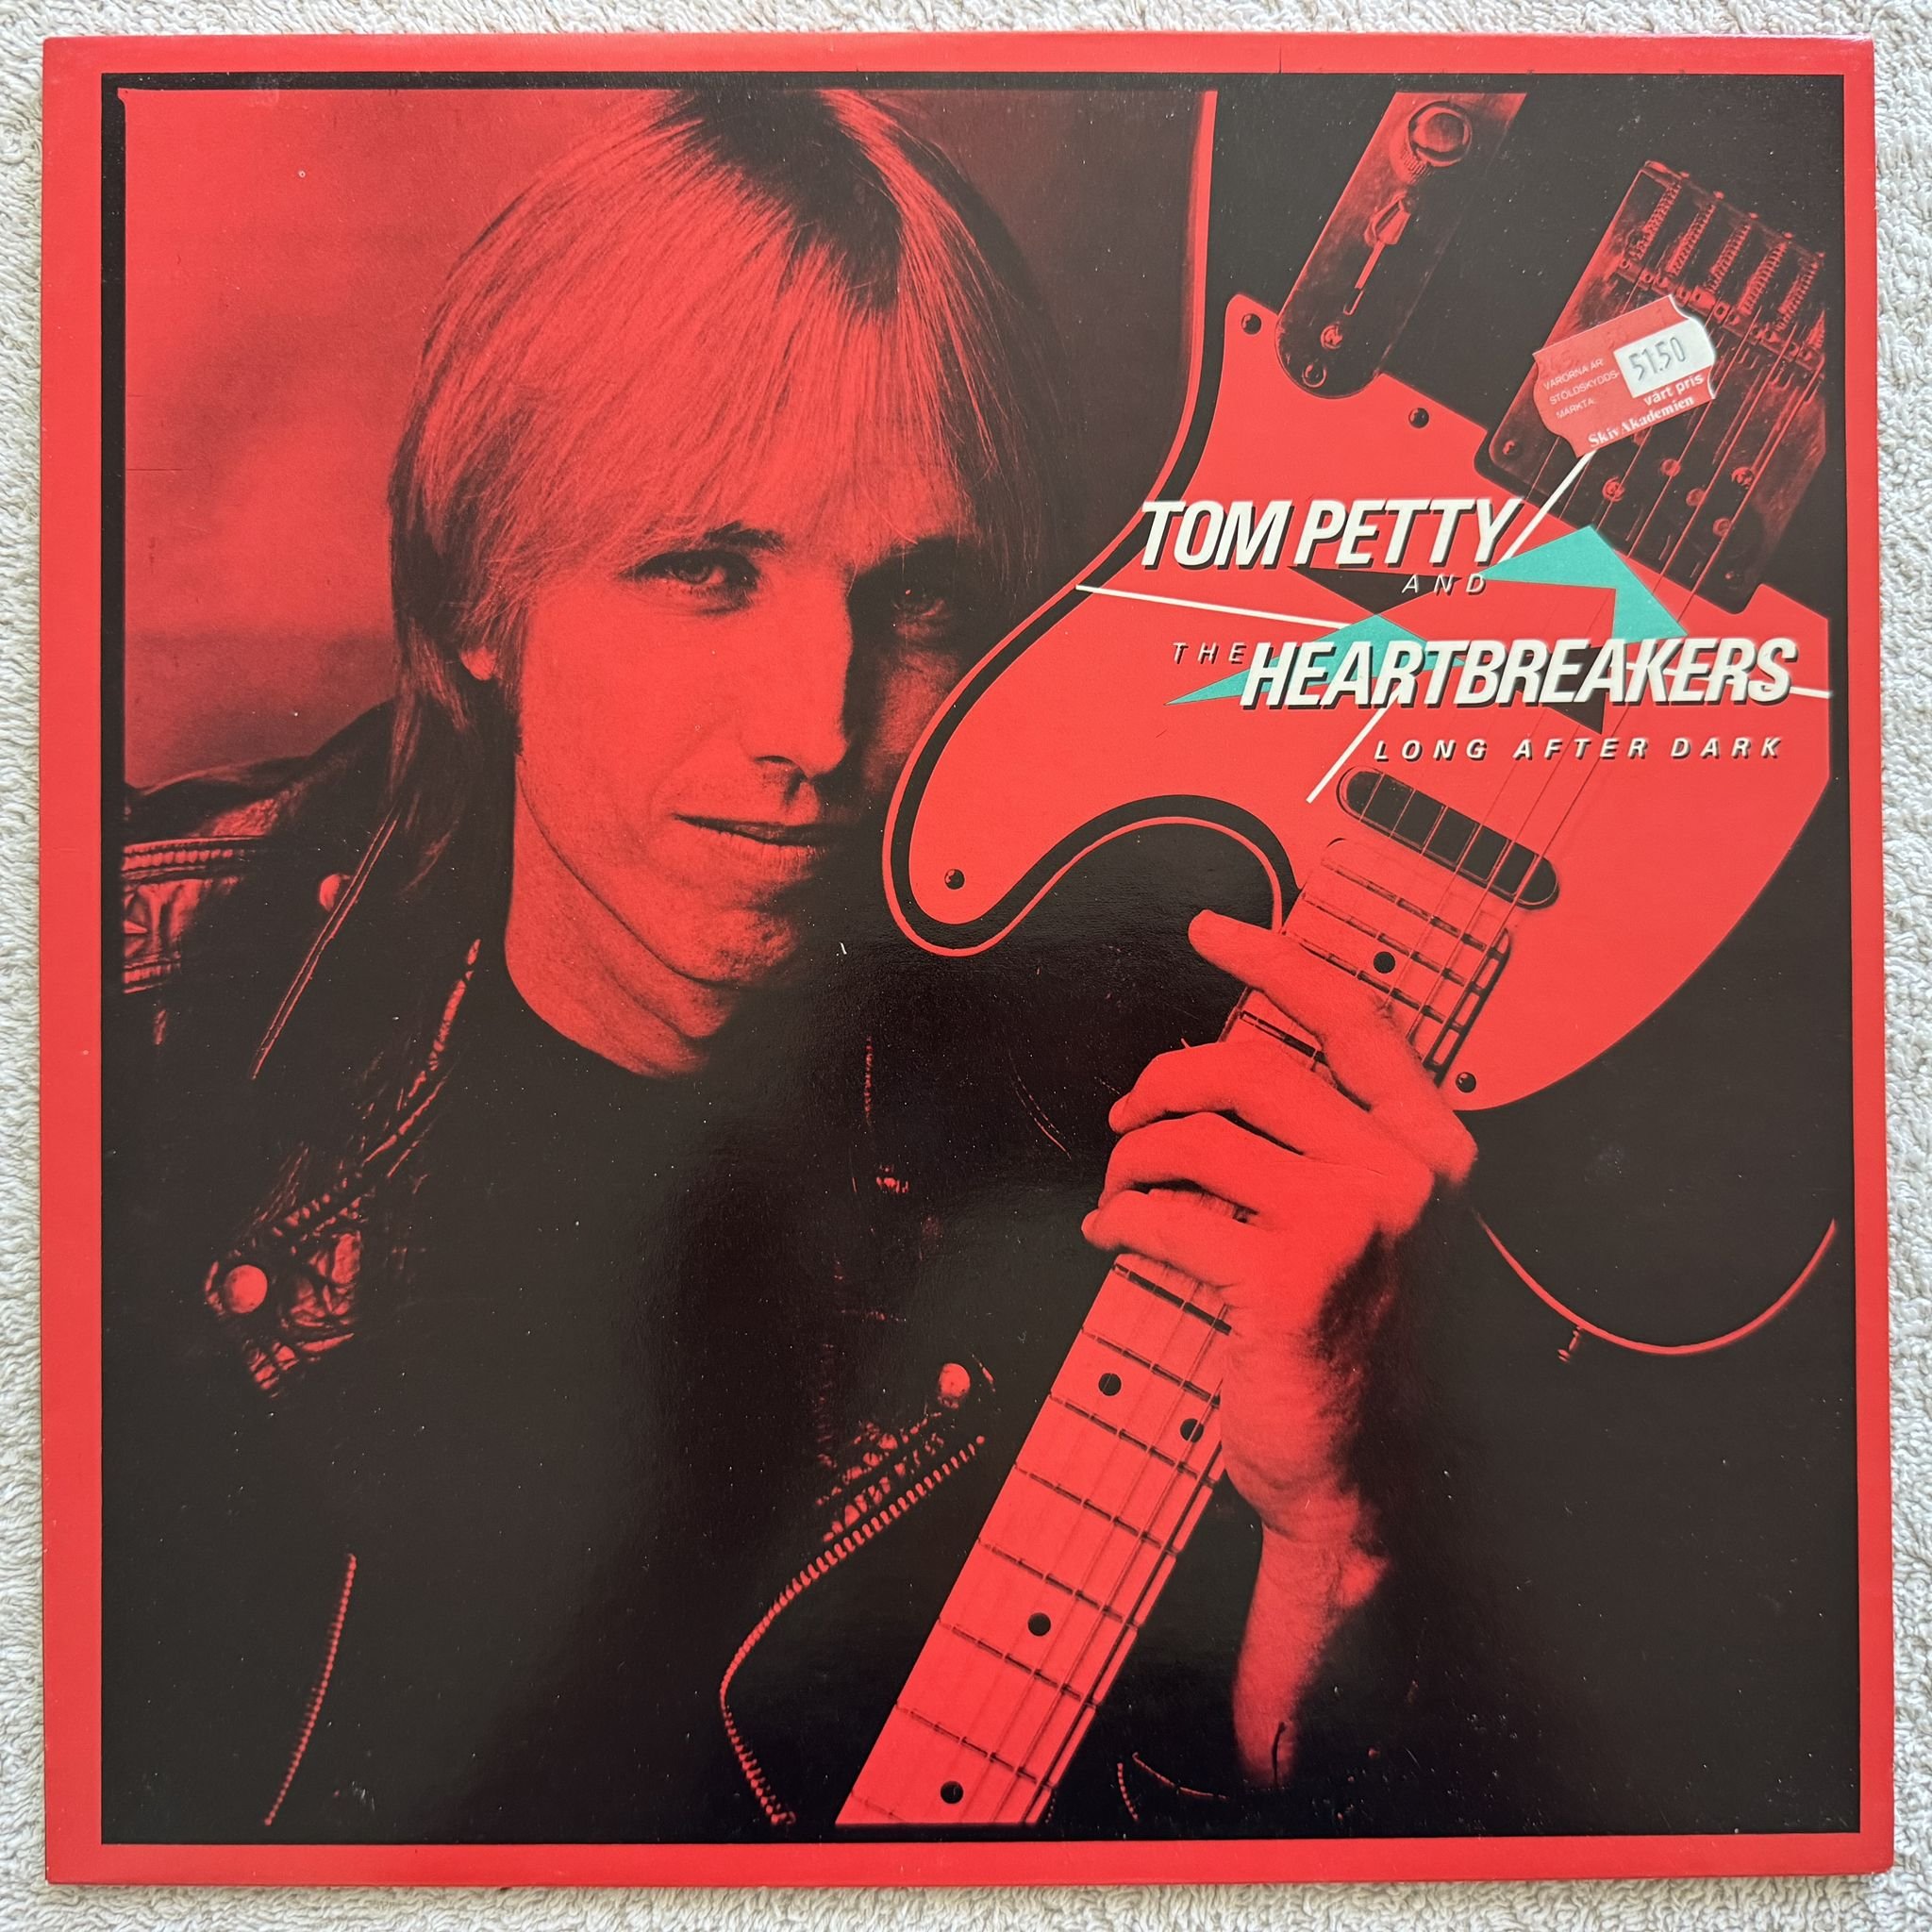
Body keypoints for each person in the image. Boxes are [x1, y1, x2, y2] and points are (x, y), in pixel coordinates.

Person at [104, 87, 1473, 1844]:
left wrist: (1337, 1538)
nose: (816, 728)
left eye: (919, 598)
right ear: (480, 599)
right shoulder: (130, 999)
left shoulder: (1157, 1145)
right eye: (705, 569)